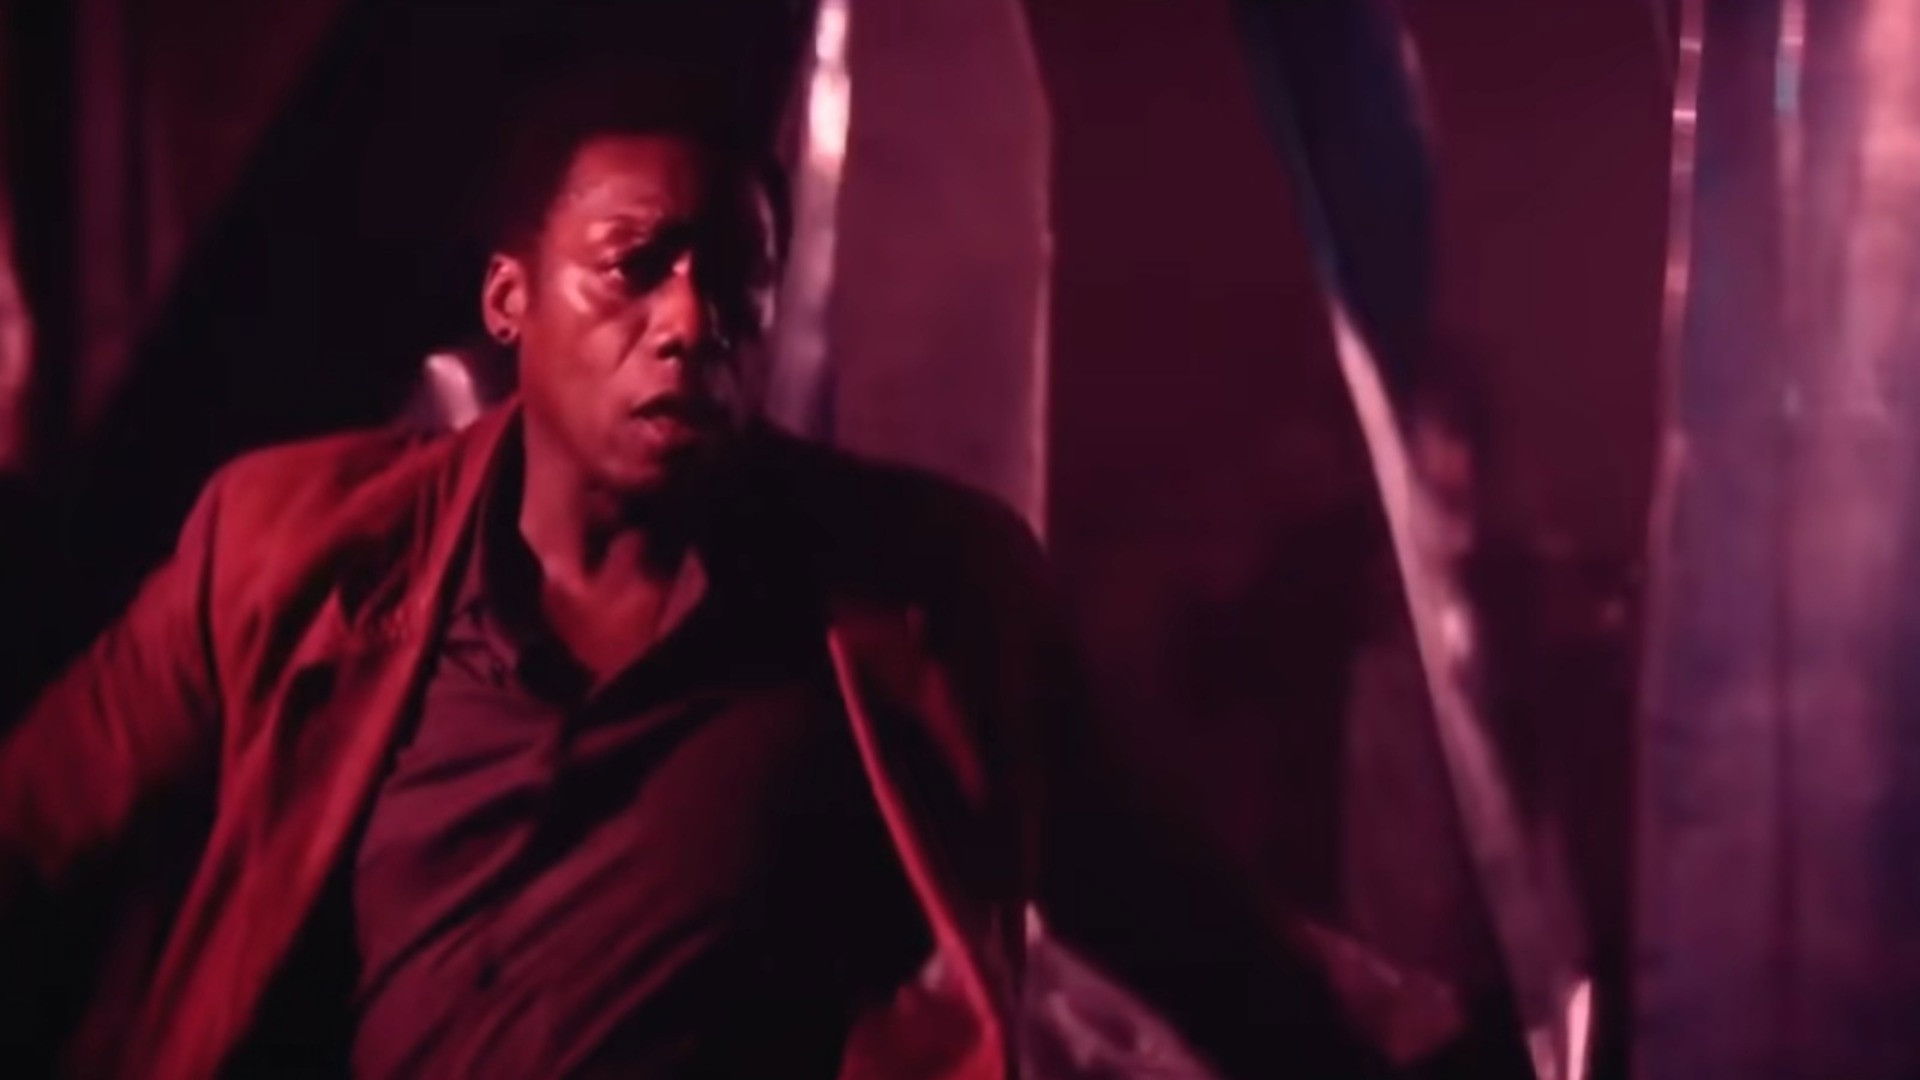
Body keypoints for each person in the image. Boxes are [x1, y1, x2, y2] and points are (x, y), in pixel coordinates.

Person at [0, 69, 1075, 1079]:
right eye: (633, 266)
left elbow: (1141, 896)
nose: (688, 323)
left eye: (736, 277)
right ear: (509, 300)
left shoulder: (919, 594)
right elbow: (34, 822)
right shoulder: (290, 548)